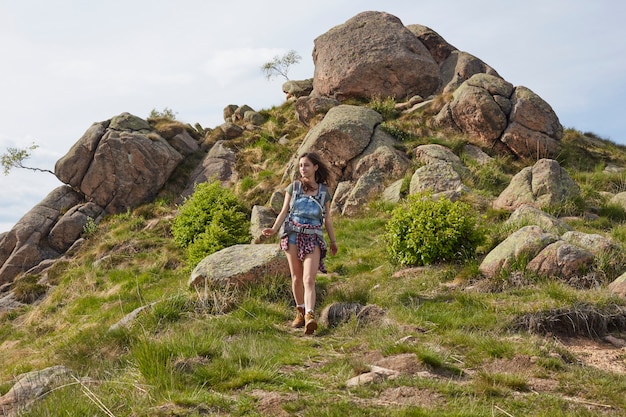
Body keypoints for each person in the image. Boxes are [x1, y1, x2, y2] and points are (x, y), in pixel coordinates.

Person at [263, 152, 338, 335]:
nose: (303, 169)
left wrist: (333, 241)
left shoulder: (323, 192)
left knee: (309, 279)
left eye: (306, 165)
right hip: (292, 236)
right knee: (296, 278)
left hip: (313, 238)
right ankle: (300, 311)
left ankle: (310, 316)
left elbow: (327, 220)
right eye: (300, 166)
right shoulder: (294, 187)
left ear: (315, 167)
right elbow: (284, 211)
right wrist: (274, 229)